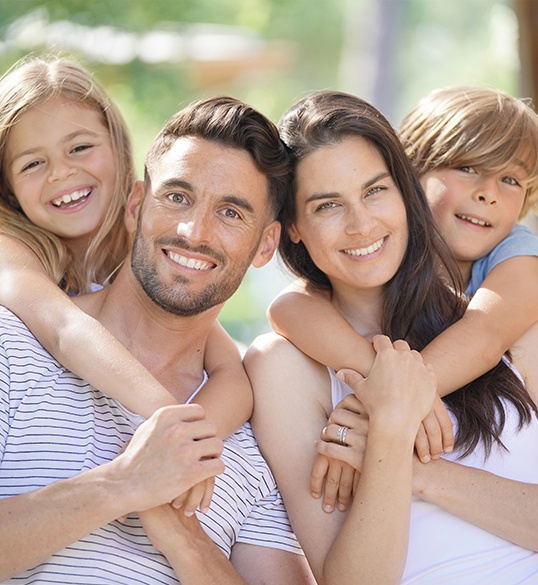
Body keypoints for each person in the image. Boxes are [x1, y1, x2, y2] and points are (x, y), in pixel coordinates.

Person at [0, 95, 315, 584]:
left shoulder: (253, 444)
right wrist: (121, 484)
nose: (194, 231)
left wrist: (180, 532)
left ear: (267, 245)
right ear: (134, 205)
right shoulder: (12, 345)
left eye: (231, 213)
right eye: (177, 197)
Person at [244, 90, 538, 584]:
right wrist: (394, 426)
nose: (361, 225)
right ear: (292, 226)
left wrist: (404, 455)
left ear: (405, 193)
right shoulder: (284, 364)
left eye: (375, 190)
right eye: (327, 205)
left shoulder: (505, 318)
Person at [0, 55, 253, 444]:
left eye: (80, 147)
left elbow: (229, 372)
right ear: (8, 190)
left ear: (117, 147)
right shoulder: (10, 251)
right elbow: (65, 330)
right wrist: (166, 422)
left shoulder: (152, 238)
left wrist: (197, 444)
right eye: (33, 163)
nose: (60, 172)